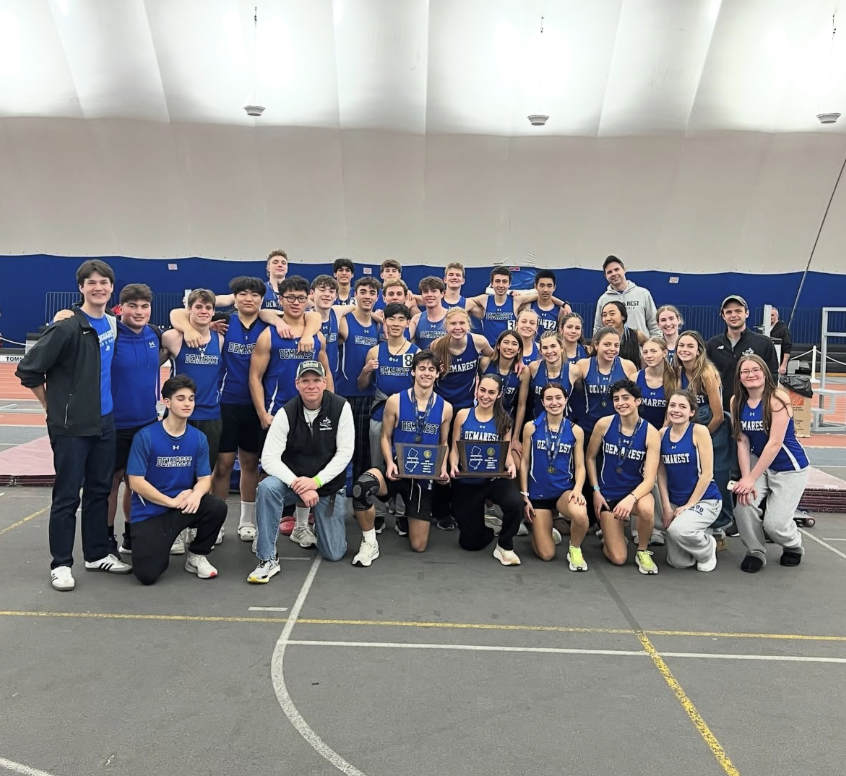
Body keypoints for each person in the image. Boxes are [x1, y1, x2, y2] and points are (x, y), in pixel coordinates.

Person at [16, 259, 131, 590]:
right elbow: (29, 370)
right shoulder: (66, 326)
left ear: (111, 287)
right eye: (91, 282)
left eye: (104, 282)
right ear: (80, 288)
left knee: (99, 491)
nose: (98, 287)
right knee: (67, 496)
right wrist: (50, 406)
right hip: (71, 428)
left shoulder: (112, 323)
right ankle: (61, 563)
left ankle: (96, 554)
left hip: (105, 423)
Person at [247, 361, 354, 582]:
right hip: (294, 484)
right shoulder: (286, 412)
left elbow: (345, 453)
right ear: (297, 384)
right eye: (305, 380)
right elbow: (268, 458)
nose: (311, 385)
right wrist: (299, 484)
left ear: (325, 382)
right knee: (267, 487)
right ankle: (267, 558)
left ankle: (316, 528)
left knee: (333, 553)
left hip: (327, 487)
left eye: (316, 380)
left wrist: (316, 481)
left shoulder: (341, 407)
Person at [351, 351, 453, 566]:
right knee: (362, 487)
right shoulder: (395, 401)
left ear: (437, 374)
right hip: (397, 468)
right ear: (413, 371)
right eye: (422, 368)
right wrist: (388, 463)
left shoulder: (446, 407)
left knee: (418, 545)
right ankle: (369, 542)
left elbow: (443, 443)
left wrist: (442, 468)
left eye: (431, 369)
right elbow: (386, 437)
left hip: (423, 475)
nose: (426, 373)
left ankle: (407, 516)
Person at [126, 376, 228, 584]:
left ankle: (197, 555)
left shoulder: (198, 438)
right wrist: (170, 501)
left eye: (191, 399)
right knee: (147, 575)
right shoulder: (145, 437)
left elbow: (204, 479)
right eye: (180, 398)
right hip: (152, 512)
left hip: (183, 506)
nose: (187, 403)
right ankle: (163, 542)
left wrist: (196, 494)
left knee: (216, 506)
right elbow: (135, 482)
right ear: (167, 402)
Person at [730, 356, 808, 572]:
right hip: (759, 462)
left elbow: (774, 443)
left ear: (765, 373)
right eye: (745, 371)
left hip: (788, 466)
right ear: (739, 377)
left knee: (775, 525)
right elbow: (742, 440)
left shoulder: (777, 399)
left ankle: (793, 545)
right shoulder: (736, 401)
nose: (751, 374)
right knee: (744, 504)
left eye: (755, 370)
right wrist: (747, 477)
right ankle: (755, 550)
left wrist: (751, 478)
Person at [110, 284, 169, 554]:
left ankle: (131, 536)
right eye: (132, 306)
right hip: (113, 424)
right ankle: (105, 538)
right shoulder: (111, 334)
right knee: (111, 483)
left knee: (137, 483)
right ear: (121, 308)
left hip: (146, 423)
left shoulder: (154, 335)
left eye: (144, 306)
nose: (139, 311)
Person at [210, 277, 268, 543]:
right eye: (242, 294)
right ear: (234, 297)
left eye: (254, 295)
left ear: (261, 299)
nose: (249, 298)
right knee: (222, 465)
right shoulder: (222, 322)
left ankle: (247, 521)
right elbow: (184, 309)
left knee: (249, 463)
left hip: (256, 406)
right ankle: (217, 522)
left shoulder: (268, 324)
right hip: (226, 403)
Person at [586, 380, 661, 574]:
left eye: (626, 398)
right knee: (618, 558)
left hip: (636, 493)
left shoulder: (650, 433)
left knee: (646, 508)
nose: (621, 403)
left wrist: (631, 498)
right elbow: (590, 457)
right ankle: (609, 533)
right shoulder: (604, 424)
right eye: (616, 399)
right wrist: (595, 490)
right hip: (608, 494)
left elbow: (650, 480)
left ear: (637, 401)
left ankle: (643, 550)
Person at [358, 302, 419, 534]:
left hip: (407, 414)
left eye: (400, 319)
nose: (395, 324)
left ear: (406, 323)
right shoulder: (375, 351)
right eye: (391, 319)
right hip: (379, 413)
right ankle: (380, 512)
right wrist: (365, 371)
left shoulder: (415, 353)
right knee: (378, 463)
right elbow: (362, 385)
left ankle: (402, 513)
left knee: (405, 463)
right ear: (385, 322)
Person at [449, 375, 524, 565]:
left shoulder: (504, 420)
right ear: (476, 390)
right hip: (467, 481)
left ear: (499, 395)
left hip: (492, 479)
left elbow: (505, 453)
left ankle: (505, 545)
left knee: (515, 503)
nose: (486, 396)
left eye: (491, 392)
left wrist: (511, 465)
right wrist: (452, 465)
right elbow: (455, 449)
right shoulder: (463, 415)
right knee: (470, 544)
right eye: (482, 390)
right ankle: (488, 528)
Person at [430, 309, 494, 530]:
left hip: (467, 409)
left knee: (461, 459)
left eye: (461, 323)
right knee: (442, 455)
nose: (457, 327)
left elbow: (492, 357)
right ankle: (441, 511)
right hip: (443, 409)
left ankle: (460, 507)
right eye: (453, 324)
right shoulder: (437, 346)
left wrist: (515, 363)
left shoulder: (478, 342)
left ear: (469, 324)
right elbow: (427, 371)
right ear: (446, 326)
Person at [249, 276, 333, 431]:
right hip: (276, 413)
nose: (296, 303)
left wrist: (330, 407)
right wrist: (262, 414)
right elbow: (255, 377)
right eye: (290, 298)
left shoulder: (317, 336)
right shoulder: (268, 335)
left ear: (307, 300)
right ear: (280, 299)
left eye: (301, 298)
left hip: (312, 413)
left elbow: (326, 372)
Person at [520, 383, 589, 569]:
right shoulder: (531, 428)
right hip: (538, 494)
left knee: (580, 514)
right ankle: (541, 529)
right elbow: (525, 462)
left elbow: (581, 466)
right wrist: (524, 495)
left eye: (558, 398)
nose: (554, 402)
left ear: (566, 400)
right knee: (546, 554)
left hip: (563, 492)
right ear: (542, 402)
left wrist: (577, 489)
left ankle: (574, 548)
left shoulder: (576, 431)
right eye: (549, 399)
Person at [657, 389, 722, 572]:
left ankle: (708, 548)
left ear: (692, 412)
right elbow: (661, 473)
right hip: (676, 501)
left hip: (705, 500)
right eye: (672, 405)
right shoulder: (662, 434)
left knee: (678, 531)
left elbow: (707, 474)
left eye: (682, 406)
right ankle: (695, 533)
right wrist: (667, 507)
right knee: (679, 563)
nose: (676, 410)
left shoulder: (699, 431)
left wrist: (689, 505)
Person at [162, 290, 225, 472]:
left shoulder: (220, 340)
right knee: (174, 471)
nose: (203, 311)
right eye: (198, 307)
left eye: (208, 307)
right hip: (179, 416)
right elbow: (174, 313)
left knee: (205, 472)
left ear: (213, 312)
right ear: (188, 309)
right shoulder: (173, 338)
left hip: (210, 416)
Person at [336, 277, 382, 485]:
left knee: (364, 452)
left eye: (372, 293)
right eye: (363, 291)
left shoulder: (378, 326)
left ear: (377, 297)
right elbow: (330, 311)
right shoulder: (345, 320)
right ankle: (332, 499)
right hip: (344, 394)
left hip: (369, 394)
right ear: (354, 294)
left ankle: (360, 498)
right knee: (339, 448)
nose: (367, 296)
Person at [706, 295, 778, 411]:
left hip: (755, 411)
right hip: (722, 411)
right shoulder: (713, 344)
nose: (733, 315)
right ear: (723, 316)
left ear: (747, 313)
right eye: (729, 312)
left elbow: (772, 377)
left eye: (738, 311)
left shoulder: (764, 343)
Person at [569, 327, 639, 440]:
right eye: (607, 344)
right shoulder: (583, 365)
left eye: (616, 345)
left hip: (616, 428)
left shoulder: (628, 366)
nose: (612, 349)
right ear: (596, 345)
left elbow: (633, 399)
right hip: (588, 427)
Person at [592, 255, 661, 337]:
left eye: (616, 269)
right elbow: (598, 328)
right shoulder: (603, 300)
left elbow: (654, 324)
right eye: (609, 272)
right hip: (614, 349)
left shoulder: (643, 294)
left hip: (640, 349)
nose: (614, 273)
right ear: (606, 276)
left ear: (624, 270)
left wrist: (655, 345)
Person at [675, 331, 723, 434]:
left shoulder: (707, 374)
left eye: (690, 346)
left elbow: (718, 417)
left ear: (698, 351)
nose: (684, 349)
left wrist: (702, 437)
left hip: (709, 429)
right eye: (681, 345)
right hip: (686, 428)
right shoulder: (679, 371)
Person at [529, 330, 574, 419]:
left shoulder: (574, 371)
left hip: (564, 424)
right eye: (545, 348)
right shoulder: (533, 368)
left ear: (561, 347)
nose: (549, 351)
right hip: (537, 423)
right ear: (541, 351)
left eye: (553, 346)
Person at [636, 337, 675, 430]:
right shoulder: (635, 377)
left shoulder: (674, 379)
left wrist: (662, 432)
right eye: (645, 352)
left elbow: (672, 411)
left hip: (665, 431)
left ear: (665, 353)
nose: (648, 356)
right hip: (639, 431)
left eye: (653, 351)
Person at [517, 270, 571, 335]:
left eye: (549, 286)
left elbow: (560, 336)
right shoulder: (527, 307)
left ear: (554, 288)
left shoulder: (560, 311)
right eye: (542, 285)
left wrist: (564, 304)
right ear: (536, 287)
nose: (545, 290)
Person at [310, 275, 343, 381]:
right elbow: (266, 313)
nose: (327, 294)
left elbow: (356, 307)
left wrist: (379, 317)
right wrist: (279, 322)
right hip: (311, 380)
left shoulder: (337, 312)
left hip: (332, 379)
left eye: (331, 291)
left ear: (336, 296)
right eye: (322, 290)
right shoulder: (305, 316)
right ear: (312, 293)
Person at [600, 300, 645, 367]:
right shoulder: (599, 337)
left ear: (623, 316)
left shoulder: (636, 335)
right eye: (604, 315)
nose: (608, 318)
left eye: (612, 314)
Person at [411, 276, 448, 348]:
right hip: (422, 358)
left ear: (442, 294)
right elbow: (404, 341)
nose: (429, 295)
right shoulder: (416, 319)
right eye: (425, 291)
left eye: (434, 291)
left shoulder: (452, 317)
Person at [769, 307, 793, 375]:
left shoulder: (783, 329)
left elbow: (787, 348)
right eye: (769, 315)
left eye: (772, 315)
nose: (770, 317)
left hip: (779, 363)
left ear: (777, 316)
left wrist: (783, 365)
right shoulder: (766, 328)